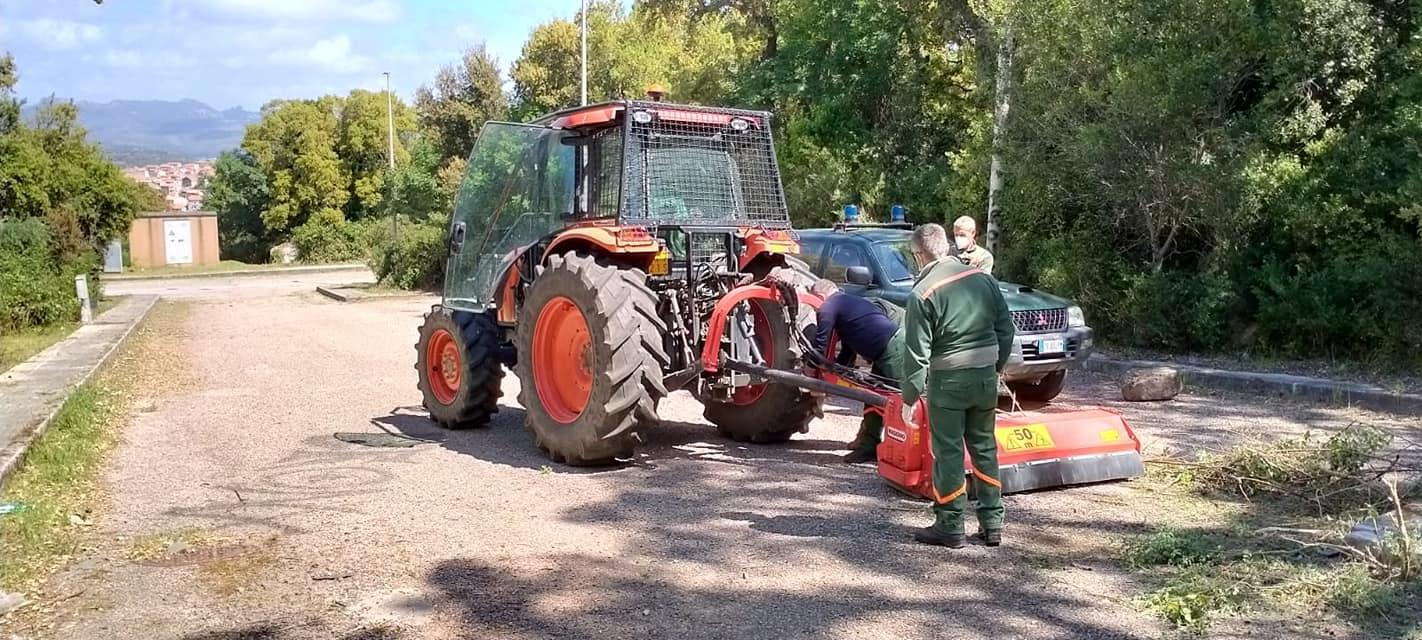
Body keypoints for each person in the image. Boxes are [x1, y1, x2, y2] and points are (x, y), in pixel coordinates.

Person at [901, 223, 1015, 548]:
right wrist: (995, 368)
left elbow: (916, 354)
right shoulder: (983, 280)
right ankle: (993, 523)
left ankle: (950, 525)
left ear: (919, 255)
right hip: (983, 379)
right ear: (947, 247)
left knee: (948, 451)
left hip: (948, 384)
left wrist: (909, 397)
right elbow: (1006, 330)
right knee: (984, 447)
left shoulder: (922, 294)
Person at [808, 278, 905, 464]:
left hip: (894, 350)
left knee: (905, 401)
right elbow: (848, 348)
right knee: (873, 399)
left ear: (819, 295)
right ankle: (868, 446)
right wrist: (838, 372)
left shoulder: (829, 305)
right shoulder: (847, 303)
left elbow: (821, 343)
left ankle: (910, 453)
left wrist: (812, 365)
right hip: (886, 350)